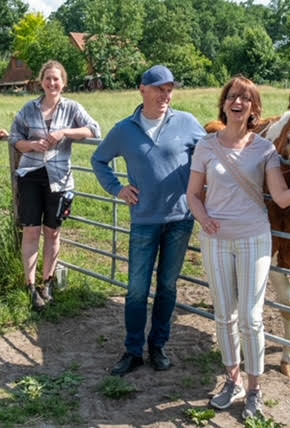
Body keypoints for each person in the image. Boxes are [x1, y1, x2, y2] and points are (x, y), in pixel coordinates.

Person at [186, 76, 290, 419]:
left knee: (252, 319)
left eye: (246, 99)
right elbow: (193, 194)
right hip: (216, 240)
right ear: (224, 105)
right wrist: (203, 218)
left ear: (255, 109)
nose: (238, 102)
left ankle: (254, 389)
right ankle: (232, 381)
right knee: (225, 316)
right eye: (232, 97)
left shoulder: (266, 149)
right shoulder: (206, 146)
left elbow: (282, 198)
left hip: (255, 239)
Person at [91, 65, 206, 375]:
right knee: (137, 289)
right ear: (142, 89)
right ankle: (132, 351)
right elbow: (99, 159)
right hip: (143, 219)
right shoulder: (125, 130)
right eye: (158, 88)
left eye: (169, 89)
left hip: (180, 219)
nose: (165, 94)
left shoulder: (187, 123)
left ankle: (158, 347)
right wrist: (117, 188)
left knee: (167, 286)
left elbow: (209, 153)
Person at [10, 60, 100, 310]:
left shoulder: (72, 108)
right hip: (31, 175)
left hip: (59, 179)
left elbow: (95, 130)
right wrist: (30, 145)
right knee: (31, 231)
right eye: (47, 78)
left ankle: (46, 282)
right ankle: (29, 286)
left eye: (56, 79)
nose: (52, 83)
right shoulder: (29, 108)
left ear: (64, 82)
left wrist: (65, 134)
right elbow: (14, 136)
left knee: (53, 232)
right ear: (41, 81)